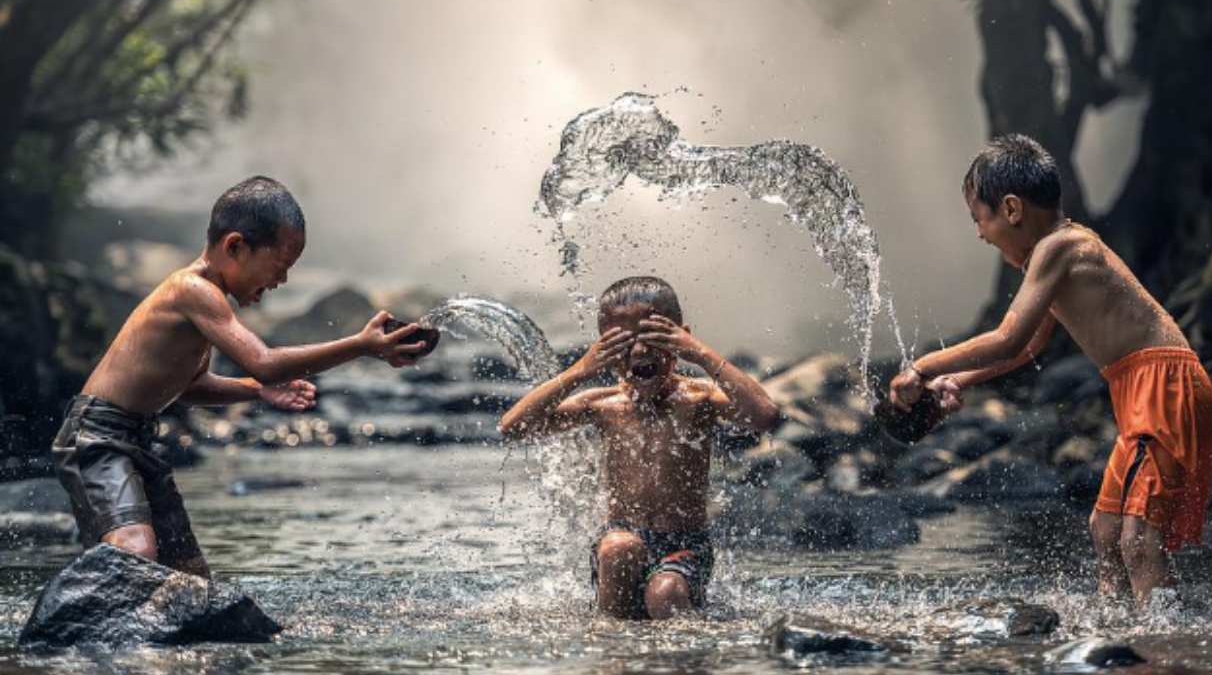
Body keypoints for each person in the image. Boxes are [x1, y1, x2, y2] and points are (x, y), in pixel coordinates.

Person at [889, 134, 1212, 606]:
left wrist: (920, 367)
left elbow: (1008, 337)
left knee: (1139, 538)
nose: (980, 233)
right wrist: (959, 379)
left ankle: (1165, 648)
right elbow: (1026, 349)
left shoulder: (1060, 247)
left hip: (1162, 385)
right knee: (1105, 529)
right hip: (1141, 387)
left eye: (979, 218)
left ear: (1013, 210)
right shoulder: (1056, 254)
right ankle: (1116, 630)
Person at [53, 176, 430, 578]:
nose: (281, 281)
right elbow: (264, 361)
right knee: (136, 548)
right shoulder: (192, 290)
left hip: (136, 439)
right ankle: (72, 619)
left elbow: (192, 387)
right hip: (97, 437)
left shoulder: (208, 303)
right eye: (280, 266)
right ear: (235, 246)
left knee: (190, 576)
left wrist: (255, 391)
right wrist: (361, 344)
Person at [499, 276, 779, 619]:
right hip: (618, 539)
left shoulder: (699, 399)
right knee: (620, 548)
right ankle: (611, 651)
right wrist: (580, 370)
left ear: (681, 338)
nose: (639, 351)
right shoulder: (602, 404)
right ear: (602, 348)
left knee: (666, 595)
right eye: (621, 343)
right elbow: (513, 428)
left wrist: (703, 354)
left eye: (652, 337)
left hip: (685, 544)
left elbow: (765, 416)